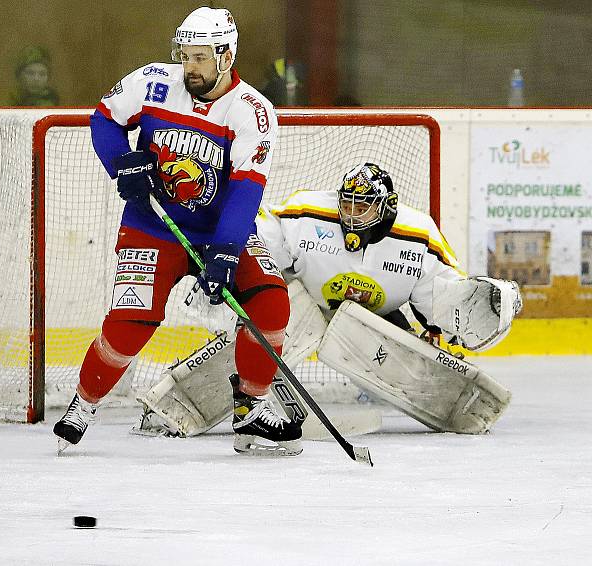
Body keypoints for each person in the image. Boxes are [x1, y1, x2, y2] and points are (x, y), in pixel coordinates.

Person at [53, 7, 301, 456]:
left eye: (201, 58)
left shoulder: (253, 112)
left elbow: (247, 189)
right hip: (152, 226)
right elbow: (104, 118)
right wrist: (122, 164)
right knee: (130, 323)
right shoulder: (152, 81)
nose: (190, 67)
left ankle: (252, 410)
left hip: (219, 231)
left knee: (270, 299)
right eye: (185, 56)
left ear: (227, 56)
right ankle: (83, 404)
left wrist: (226, 251)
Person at [133, 162, 523, 438]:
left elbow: (441, 299)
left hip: (380, 321)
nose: (352, 214)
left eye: (363, 205)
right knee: (280, 323)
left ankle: (456, 405)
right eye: (348, 202)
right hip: (307, 299)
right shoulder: (307, 213)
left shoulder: (417, 236)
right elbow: (264, 250)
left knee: (360, 330)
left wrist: (476, 310)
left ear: (386, 208)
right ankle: (178, 402)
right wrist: (227, 262)